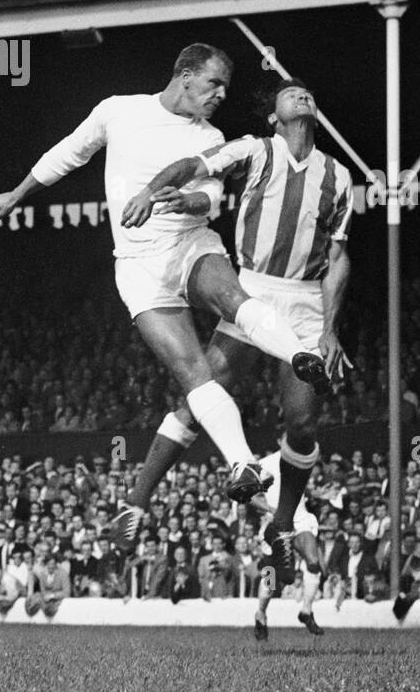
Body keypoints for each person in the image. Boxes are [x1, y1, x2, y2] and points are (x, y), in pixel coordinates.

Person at [0, 46, 327, 512]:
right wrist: (19, 192)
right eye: (214, 84)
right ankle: (242, 462)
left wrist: (193, 203)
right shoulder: (119, 111)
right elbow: (69, 153)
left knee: (231, 296)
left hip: (191, 245)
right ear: (185, 76)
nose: (221, 95)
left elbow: (211, 192)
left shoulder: (211, 134)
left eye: (225, 87)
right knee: (193, 373)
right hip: (140, 267)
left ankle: (300, 353)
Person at [113, 77, 350, 568]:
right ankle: (134, 502)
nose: (302, 95)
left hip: (304, 301)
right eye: (290, 93)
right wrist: (155, 189)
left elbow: (339, 257)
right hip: (253, 290)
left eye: (308, 92)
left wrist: (330, 329)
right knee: (201, 393)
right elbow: (194, 167)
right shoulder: (255, 150)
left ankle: (282, 526)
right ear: (273, 116)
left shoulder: (339, 176)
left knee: (302, 424)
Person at [249, 449, 326, 640]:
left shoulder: (301, 459)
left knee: (313, 562)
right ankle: (260, 614)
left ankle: (306, 611)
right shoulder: (263, 464)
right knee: (271, 580)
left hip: (299, 519)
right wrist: (271, 508)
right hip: (276, 523)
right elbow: (250, 496)